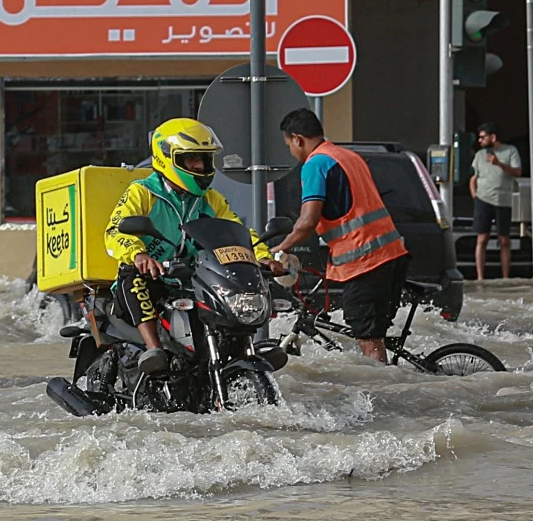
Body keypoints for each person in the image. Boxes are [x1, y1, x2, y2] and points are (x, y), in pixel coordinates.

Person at [98, 118, 280, 375]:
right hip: (155, 276)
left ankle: (240, 353)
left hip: (193, 277)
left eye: (204, 159)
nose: (200, 166)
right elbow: (115, 231)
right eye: (191, 159)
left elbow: (237, 232)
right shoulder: (143, 192)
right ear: (167, 158)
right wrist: (139, 255)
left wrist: (263, 256)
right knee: (132, 273)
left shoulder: (211, 199)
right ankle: (154, 349)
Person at [272, 108, 413, 364]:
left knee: (368, 339)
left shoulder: (315, 164)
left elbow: (307, 222)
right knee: (374, 334)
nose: (291, 152)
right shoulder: (349, 156)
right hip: (391, 254)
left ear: (297, 138)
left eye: (288, 145)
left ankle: (385, 396)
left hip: (365, 261)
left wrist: (280, 249)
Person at [466, 122, 523, 282]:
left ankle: (505, 276)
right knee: (482, 238)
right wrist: (475, 197)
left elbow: (517, 172)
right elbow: (473, 179)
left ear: (493, 137)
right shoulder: (479, 155)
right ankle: (480, 277)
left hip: (503, 200)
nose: (480, 140)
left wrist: (499, 164)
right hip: (483, 199)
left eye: (483, 137)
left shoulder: (510, 151)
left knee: (504, 239)